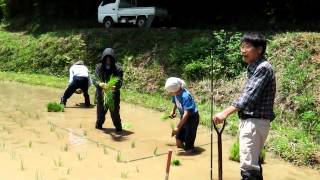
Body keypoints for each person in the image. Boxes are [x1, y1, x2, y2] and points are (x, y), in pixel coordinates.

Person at [212, 32, 276, 180]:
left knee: (249, 170)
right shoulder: (255, 68)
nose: (243, 50)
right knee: (252, 166)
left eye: (247, 46)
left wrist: (225, 113)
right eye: (242, 46)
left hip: (255, 123)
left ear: (259, 49)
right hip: (253, 122)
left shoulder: (263, 68)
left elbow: (248, 97)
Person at [165, 77, 200, 154]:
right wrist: (173, 111)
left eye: (170, 92)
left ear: (175, 90)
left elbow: (187, 113)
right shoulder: (175, 94)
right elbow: (176, 102)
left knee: (188, 146)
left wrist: (177, 127)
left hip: (192, 119)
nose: (169, 93)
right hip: (183, 118)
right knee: (178, 143)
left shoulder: (185, 96)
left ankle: (190, 148)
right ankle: (185, 145)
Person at [93, 48, 123, 132]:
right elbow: (95, 79)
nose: (108, 61)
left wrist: (114, 87)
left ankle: (119, 129)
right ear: (103, 59)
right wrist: (100, 84)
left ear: (113, 59)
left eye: (110, 59)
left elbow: (120, 81)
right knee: (100, 114)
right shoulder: (99, 67)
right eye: (106, 59)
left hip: (114, 95)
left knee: (115, 114)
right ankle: (98, 128)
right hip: (101, 93)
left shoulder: (118, 69)